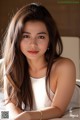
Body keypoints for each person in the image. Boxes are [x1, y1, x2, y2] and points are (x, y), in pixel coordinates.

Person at [2, 3, 76, 120]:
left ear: (50, 40)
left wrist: (28, 116)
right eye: (26, 36)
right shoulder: (12, 64)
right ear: (16, 39)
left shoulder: (64, 67)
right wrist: (18, 117)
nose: (33, 44)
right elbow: (10, 102)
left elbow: (58, 109)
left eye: (41, 37)